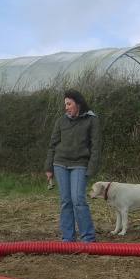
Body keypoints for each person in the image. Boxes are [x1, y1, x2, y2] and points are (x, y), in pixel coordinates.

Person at [45, 89, 101, 243]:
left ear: (78, 104)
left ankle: (88, 238)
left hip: (80, 164)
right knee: (66, 201)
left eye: (69, 104)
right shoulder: (61, 121)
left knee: (78, 199)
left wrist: (91, 170)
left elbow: (96, 147)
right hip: (60, 164)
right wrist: (49, 168)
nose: (66, 107)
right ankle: (68, 238)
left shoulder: (92, 120)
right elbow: (53, 145)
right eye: (65, 105)